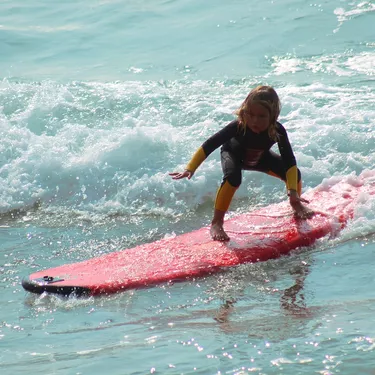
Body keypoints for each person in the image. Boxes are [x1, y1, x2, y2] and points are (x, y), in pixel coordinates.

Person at [170, 85, 314, 241]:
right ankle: (217, 222)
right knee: (233, 178)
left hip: (260, 158)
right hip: (233, 155)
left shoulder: (277, 131)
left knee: (294, 173)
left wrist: (292, 190)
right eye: (250, 114)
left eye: (261, 116)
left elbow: (289, 160)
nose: (254, 120)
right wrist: (190, 168)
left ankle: (295, 203)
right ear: (244, 111)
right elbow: (210, 144)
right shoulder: (238, 126)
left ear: (272, 116)